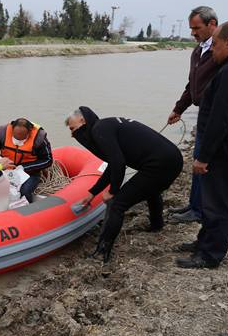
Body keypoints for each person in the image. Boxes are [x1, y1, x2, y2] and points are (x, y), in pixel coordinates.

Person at [66, 106, 183, 263]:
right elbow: (113, 164)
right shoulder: (105, 126)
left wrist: (113, 191)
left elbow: (118, 163)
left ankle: (102, 252)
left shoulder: (99, 129)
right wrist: (93, 193)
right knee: (150, 189)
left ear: (82, 120)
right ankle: (157, 225)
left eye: (73, 129)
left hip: (161, 164)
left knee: (117, 204)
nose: (73, 135)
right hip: (171, 158)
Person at [176, 20, 228, 269]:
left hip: (224, 149)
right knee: (212, 199)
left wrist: (203, 156)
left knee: (219, 202)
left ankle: (210, 255)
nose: (212, 51)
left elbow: (221, 118)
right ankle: (204, 242)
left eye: (215, 46)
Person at [168, 6, 220, 224]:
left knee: (203, 162)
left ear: (212, 24)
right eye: (191, 28)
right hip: (203, 114)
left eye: (196, 28)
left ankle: (199, 210)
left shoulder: (221, 51)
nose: (192, 33)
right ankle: (194, 205)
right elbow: (193, 85)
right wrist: (179, 109)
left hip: (216, 115)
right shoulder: (198, 51)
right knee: (198, 160)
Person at [0, 118, 53, 203]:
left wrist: (24, 167)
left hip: (29, 173)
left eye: (21, 138)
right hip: (4, 169)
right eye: (16, 137)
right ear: (12, 129)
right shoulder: (2, 132)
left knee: (25, 191)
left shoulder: (39, 138)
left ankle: (27, 210)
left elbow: (48, 160)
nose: (18, 141)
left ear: (29, 132)